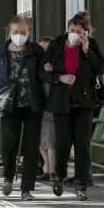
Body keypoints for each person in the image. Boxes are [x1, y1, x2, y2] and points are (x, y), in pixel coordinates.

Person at [0, 16, 47, 200]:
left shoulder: (37, 52)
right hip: (9, 106)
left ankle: (26, 189)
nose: (19, 35)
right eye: (16, 31)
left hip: (33, 105)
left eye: (23, 32)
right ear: (9, 33)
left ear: (29, 32)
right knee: (9, 143)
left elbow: (45, 75)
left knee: (32, 146)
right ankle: (8, 176)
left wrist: (49, 68)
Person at [40, 12, 104, 200]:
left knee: (82, 146)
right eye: (72, 30)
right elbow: (42, 72)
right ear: (67, 29)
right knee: (62, 143)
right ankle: (60, 176)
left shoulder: (92, 46)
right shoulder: (56, 45)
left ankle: (81, 185)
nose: (75, 34)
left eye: (79, 31)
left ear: (86, 32)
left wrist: (87, 50)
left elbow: (102, 68)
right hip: (61, 102)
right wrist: (59, 77)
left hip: (84, 102)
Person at [36, 37, 57, 180]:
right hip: (40, 105)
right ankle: (48, 170)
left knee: (50, 140)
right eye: (41, 48)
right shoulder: (38, 64)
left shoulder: (56, 64)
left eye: (46, 48)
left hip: (51, 104)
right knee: (42, 140)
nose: (43, 51)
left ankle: (52, 171)